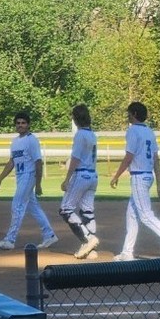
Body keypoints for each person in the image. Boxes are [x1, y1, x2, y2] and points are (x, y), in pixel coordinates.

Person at [110, 101, 160, 261]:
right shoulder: (150, 132)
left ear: (135, 114)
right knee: (132, 214)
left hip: (138, 176)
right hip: (148, 176)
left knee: (145, 215)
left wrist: (116, 176)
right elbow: (156, 160)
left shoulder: (133, 131)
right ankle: (127, 253)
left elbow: (128, 157)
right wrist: (159, 183)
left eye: (129, 113)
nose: (127, 116)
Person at [0, 111, 59, 250]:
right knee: (34, 208)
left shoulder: (31, 140)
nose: (20, 125)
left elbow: (38, 162)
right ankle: (49, 235)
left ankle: (10, 240)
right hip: (20, 176)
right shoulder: (15, 142)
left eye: (23, 123)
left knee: (17, 205)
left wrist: (38, 184)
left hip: (29, 176)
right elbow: (11, 162)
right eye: (18, 123)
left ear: (28, 125)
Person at [59, 104, 100, 260]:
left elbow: (75, 159)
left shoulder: (80, 135)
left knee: (66, 210)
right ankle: (92, 251)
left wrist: (66, 179)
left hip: (81, 175)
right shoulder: (92, 134)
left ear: (75, 119)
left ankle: (89, 239)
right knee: (87, 211)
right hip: (92, 175)